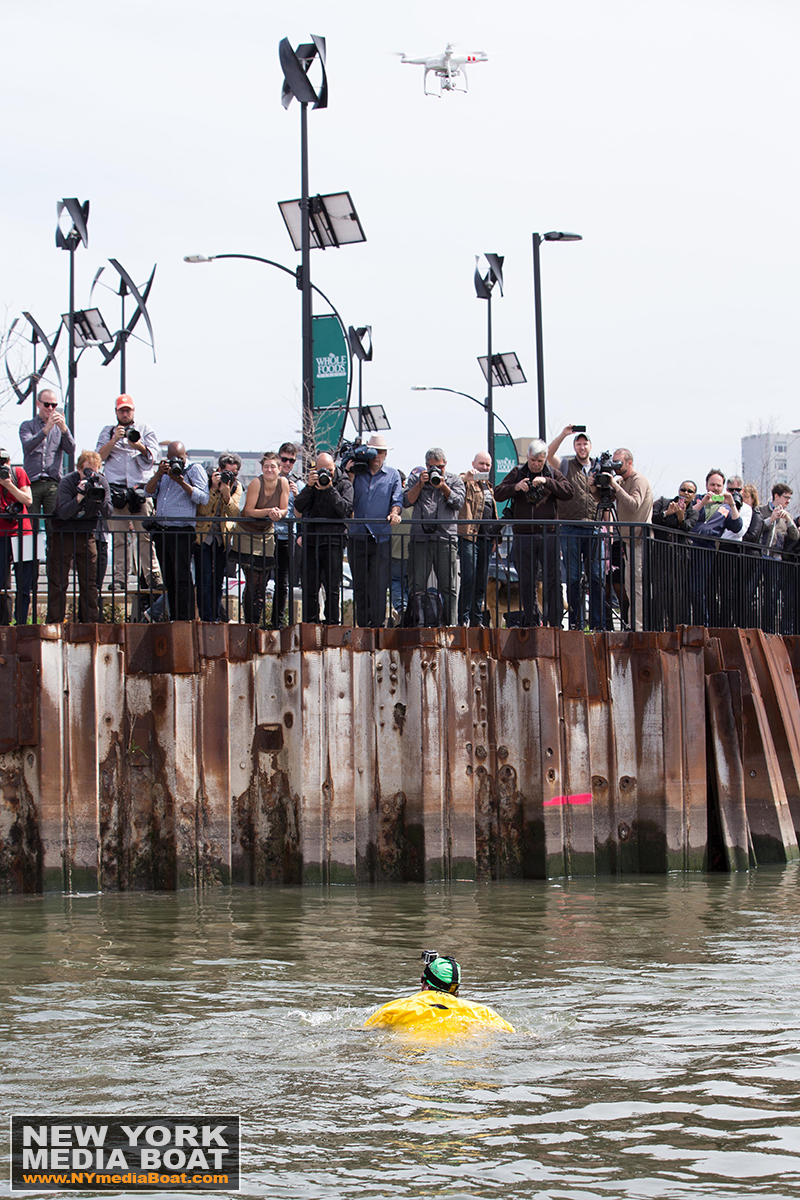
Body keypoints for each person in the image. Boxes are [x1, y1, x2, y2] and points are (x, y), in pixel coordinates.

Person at [495, 439, 573, 628]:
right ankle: (530, 621)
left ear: (545, 459)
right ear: (527, 458)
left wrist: (547, 482)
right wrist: (516, 487)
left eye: (540, 460)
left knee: (552, 579)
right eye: (533, 460)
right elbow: (498, 493)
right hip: (523, 535)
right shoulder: (517, 473)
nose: (536, 464)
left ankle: (554, 622)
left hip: (549, 534)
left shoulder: (553, 473)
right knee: (526, 580)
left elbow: (569, 492)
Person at [96, 394, 162, 597]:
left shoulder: (145, 429)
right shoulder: (108, 432)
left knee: (146, 537)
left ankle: (153, 577)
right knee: (118, 538)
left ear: (133, 411)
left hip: (140, 490)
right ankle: (119, 579)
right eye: (121, 410)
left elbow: (154, 458)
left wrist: (138, 445)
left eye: (128, 410)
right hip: (116, 491)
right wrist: (115, 439)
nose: (125, 413)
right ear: (116, 412)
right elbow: (98, 458)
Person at [363, 953, 514, 1034]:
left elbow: (362, 1033)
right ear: (455, 989)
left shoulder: (396, 1009)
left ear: (424, 982)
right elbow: (514, 1035)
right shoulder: (483, 1012)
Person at [145, 441, 209, 620]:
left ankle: (185, 619)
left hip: (182, 530)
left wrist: (181, 481)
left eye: (179, 458)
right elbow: (148, 492)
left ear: (186, 455)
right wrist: (159, 474)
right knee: (169, 579)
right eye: (172, 458)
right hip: (162, 531)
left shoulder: (194, 470)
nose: (176, 462)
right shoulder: (163, 472)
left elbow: (203, 498)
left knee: (182, 578)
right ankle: (173, 617)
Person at [547, 424, 603, 630]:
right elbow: (549, 454)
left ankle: (598, 624)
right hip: (570, 528)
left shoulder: (599, 468)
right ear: (574, 446)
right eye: (578, 444)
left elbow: (608, 497)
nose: (582, 447)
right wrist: (563, 434)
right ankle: (576, 624)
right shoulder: (565, 465)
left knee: (597, 577)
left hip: (594, 528)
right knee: (572, 578)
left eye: (584, 443)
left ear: (590, 446)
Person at [46, 450, 112, 624]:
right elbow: (63, 513)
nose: (91, 476)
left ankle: (90, 624)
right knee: (58, 581)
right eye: (87, 471)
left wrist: (100, 498)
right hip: (64, 533)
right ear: (79, 470)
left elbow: (108, 513)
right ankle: (55, 623)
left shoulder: (101, 482)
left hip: (87, 534)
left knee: (89, 582)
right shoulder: (68, 481)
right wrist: (79, 496)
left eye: (95, 472)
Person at [403, 449, 466, 626]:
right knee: (417, 586)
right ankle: (418, 623)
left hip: (445, 539)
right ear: (426, 465)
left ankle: (450, 625)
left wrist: (443, 486)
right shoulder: (417, 479)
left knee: (449, 586)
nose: (436, 471)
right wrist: (420, 485)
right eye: (432, 467)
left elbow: (458, 503)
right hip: (420, 540)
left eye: (440, 467)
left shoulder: (454, 480)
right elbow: (407, 500)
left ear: (446, 465)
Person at [592, 448, 653, 631]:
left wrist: (615, 485)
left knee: (638, 585)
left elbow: (634, 505)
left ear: (629, 463)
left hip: (640, 539)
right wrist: (594, 486)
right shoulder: (622, 481)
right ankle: (631, 624)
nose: (616, 467)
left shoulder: (638, 480)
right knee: (629, 587)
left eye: (619, 462)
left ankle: (639, 628)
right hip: (627, 540)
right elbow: (602, 501)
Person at [347, 435, 403, 628]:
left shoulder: (393, 474)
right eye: (373, 451)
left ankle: (377, 626)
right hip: (358, 534)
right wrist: (350, 472)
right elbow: (346, 496)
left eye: (380, 452)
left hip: (381, 536)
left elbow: (397, 501)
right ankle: (362, 626)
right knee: (360, 584)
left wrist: (395, 513)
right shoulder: (357, 472)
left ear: (385, 454)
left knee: (379, 585)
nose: (376, 456)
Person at [294, 452, 353, 625]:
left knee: (333, 587)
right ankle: (310, 625)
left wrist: (329, 489)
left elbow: (345, 509)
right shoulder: (312, 484)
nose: (325, 474)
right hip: (311, 540)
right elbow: (298, 506)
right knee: (310, 587)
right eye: (321, 470)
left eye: (328, 470)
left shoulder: (344, 484)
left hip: (333, 541)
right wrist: (310, 487)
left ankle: (332, 624)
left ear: (334, 468)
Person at [233, 452, 289, 627]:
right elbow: (248, 511)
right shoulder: (257, 483)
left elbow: (285, 509)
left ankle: (257, 623)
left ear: (279, 469)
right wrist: (269, 511)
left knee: (262, 584)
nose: (269, 470)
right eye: (266, 466)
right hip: (247, 533)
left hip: (266, 534)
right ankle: (249, 623)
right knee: (252, 582)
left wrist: (278, 513)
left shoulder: (283, 483)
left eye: (273, 466)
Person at [689, 469, 743, 626]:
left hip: (706, 549)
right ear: (706, 485)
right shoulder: (697, 500)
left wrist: (732, 504)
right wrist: (703, 503)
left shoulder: (726, 507)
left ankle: (701, 625)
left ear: (723, 487)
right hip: (687, 546)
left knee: (698, 590)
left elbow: (737, 527)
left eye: (719, 485)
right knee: (683, 589)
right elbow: (686, 515)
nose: (715, 488)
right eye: (712, 484)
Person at [194, 453, 243, 623]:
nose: (230, 477)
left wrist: (226, 495)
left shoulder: (236, 487)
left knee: (217, 581)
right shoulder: (207, 482)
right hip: (203, 537)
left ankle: (215, 617)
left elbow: (235, 513)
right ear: (219, 470)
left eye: (234, 473)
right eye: (227, 472)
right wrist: (214, 490)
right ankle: (206, 618)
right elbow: (202, 511)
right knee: (204, 580)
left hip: (222, 539)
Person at [457, 451, 500, 627]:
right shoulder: (467, 482)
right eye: (481, 464)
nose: (484, 467)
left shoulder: (489, 487)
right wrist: (467, 477)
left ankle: (477, 620)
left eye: (488, 465)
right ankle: (463, 620)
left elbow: (493, 515)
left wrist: (497, 538)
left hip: (487, 539)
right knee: (468, 578)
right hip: (469, 537)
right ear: (473, 464)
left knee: (481, 582)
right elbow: (455, 482)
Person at [18, 389, 76, 516]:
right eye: (46, 405)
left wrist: (65, 429)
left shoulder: (59, 428)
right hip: (32, 482)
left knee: (53, 523)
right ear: (38, 404)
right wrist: (46, 428)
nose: (50, 408)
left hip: (53, 482)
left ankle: (50, 537)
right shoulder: (27, 426)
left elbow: (71, 449)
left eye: (54, 405)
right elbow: (28, 446)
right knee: (32, 522)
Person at [0, 452, 34, 625]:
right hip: (1, 534)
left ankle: (21, 623)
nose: (2, 465)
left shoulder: (18, 473)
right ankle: (3, 624)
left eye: (4, 461)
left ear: (9, 461)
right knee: (1, 585)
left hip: (24, 534)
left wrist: (9, 485)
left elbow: (28, 500)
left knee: (25, 583)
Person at [272, 442, 301, 628]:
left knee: (282, 583)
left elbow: (302, 513)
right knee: (258, 582)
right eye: (284, 459)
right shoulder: (268, 479)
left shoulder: (298, 484)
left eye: (291, 460)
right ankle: (254, 621)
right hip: (268, 534)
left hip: (287, 537)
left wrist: (298, 497)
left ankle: (278, 623)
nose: (287, 463)